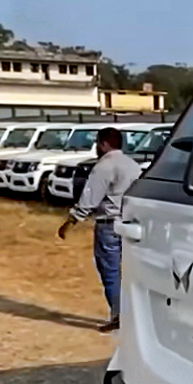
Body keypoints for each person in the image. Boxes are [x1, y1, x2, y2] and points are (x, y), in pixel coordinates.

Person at [57, 127, 141, 332]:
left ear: (104, 144)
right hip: (131, 224)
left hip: (109, 225)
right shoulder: (133, 165)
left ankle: (119, 315)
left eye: (97, 143)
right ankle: (134, 315)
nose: (95, 148)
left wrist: (72, 220)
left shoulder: (104, 166)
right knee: (131, 272)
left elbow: (90, 197)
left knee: (110, 272)